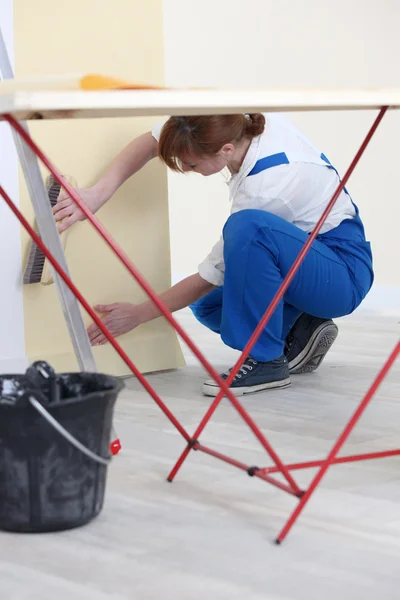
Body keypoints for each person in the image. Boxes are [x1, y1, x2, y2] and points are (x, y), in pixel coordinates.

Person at [53, 113, 374, 397]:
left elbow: (211, 275)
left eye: (191, 164)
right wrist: (97, 193)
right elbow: (152, 141)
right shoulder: (224, 121)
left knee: (248, 229)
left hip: (341, 268)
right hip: (302, 257)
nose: (185, 169)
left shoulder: (267, 183)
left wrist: (138, 314)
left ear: (226, 151)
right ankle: (303, 326)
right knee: (212, 306)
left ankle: (266, 361)